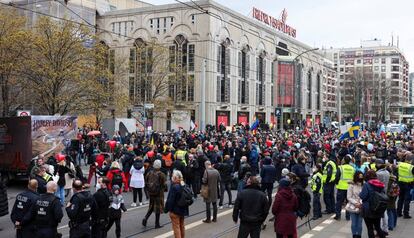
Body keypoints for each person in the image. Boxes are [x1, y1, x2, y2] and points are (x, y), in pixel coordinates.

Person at [359, 170, 386, 238]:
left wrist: (360, 194)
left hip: (368, 209)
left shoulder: (367, 184)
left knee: (370, 228)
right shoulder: (380, 184)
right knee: (378, 227)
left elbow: (363, 196)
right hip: (378, 208)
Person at [142, 159, 166, 229]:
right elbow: (164, 185)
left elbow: (146, 181)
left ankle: (145, 218)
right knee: (157, 208)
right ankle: (157, 224)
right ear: (160, 166)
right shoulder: (161, 174)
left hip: (151, 192)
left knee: (151, 207)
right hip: (159, 193)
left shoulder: (149, 173)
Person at [165, 170, 189, 238]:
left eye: (172, 176)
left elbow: (170, 200)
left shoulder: (174, 187)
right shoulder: (184, 185)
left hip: (175, 211)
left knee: (176, 228)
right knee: (182, 226)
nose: (172, 177)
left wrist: (167, 209)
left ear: (175, 177)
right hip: (183, 209)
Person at [335, 155, 355, 220]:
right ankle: (348, 217)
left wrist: (336, 183)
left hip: (341, 187)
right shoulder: (352, 168)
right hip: (349, 188)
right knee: (348, 202)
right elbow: (354, 178)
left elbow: (337, 177)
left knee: (339, 202)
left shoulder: (340, 167)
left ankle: (338, 216)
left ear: (343, 160)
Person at [346, 171, 364, 238]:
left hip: (361, 206)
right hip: (353, 206)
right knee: (353, 223)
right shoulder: (351, 185)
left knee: (360, 224)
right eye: (359, 178)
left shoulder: (364, 185)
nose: (360, 179)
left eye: (362, 178)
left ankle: (359, 236)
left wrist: (360, 203)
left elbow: (365, 196)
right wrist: (356, 203)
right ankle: (354, 235)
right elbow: (349, 197)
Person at [375, 159, 390, 235]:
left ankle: (379, 230)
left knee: (379, 214)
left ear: (378, 164)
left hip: (378, 195)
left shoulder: (378, 173)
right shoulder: (387, 172)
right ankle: (385, 229)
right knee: (385, 213)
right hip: (385, 194)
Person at [396, 154, 413, 219]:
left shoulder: (400, 165)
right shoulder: (411, 167)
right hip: (408, 184)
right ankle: (406, 214)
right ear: (411, 160)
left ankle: (398, 212)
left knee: (400, 198)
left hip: (400, 183)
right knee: (407, 199)